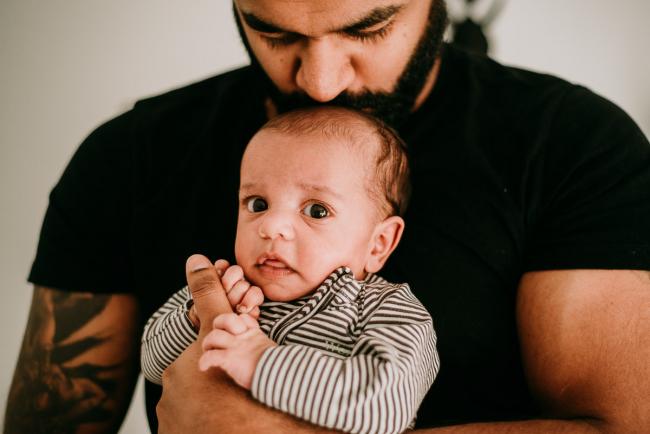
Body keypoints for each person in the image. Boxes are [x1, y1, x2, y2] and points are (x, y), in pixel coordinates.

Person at [5, 0, 650, 433]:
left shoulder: (573, 145)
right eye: (275, 32)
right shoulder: (129, 155)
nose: (319, 81)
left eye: (367, 28)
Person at [140, 107, 439, 434]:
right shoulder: (226, 290)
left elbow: (387, 404)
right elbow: (153, 366)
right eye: (257, 204)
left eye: (316, 210)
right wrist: (196, 320)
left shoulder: (388, 310)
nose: (271, 226)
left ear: (378, 243)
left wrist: (260, 361)